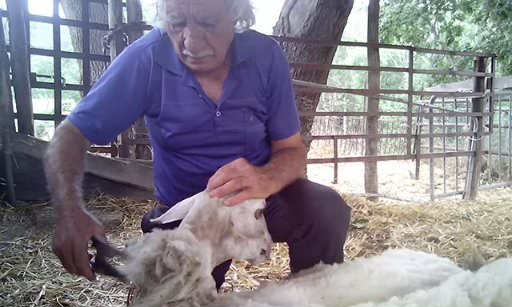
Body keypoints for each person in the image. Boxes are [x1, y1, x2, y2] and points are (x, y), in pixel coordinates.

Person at [44, 0, 351, 289]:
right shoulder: (147, 58)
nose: (190, 42)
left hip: (259, 201)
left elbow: (292, 149)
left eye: (208, 22)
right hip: (186, 213)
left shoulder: (265, 56)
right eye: (177, 23)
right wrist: (69, 210)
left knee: (326, 210)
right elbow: (69, 133)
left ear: (235, 14)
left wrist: (266, 179)